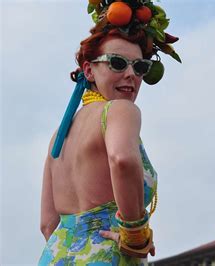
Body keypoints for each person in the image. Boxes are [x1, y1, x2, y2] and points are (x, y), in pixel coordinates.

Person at [39, 1, 180, 265]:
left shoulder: (59, 136)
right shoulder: (119, 111)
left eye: (139, 68)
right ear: (89, 70)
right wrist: (135, 234)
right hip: (109, 255)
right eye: (117, 63)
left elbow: (48, 224)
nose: (130, 75)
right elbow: (122, 160)